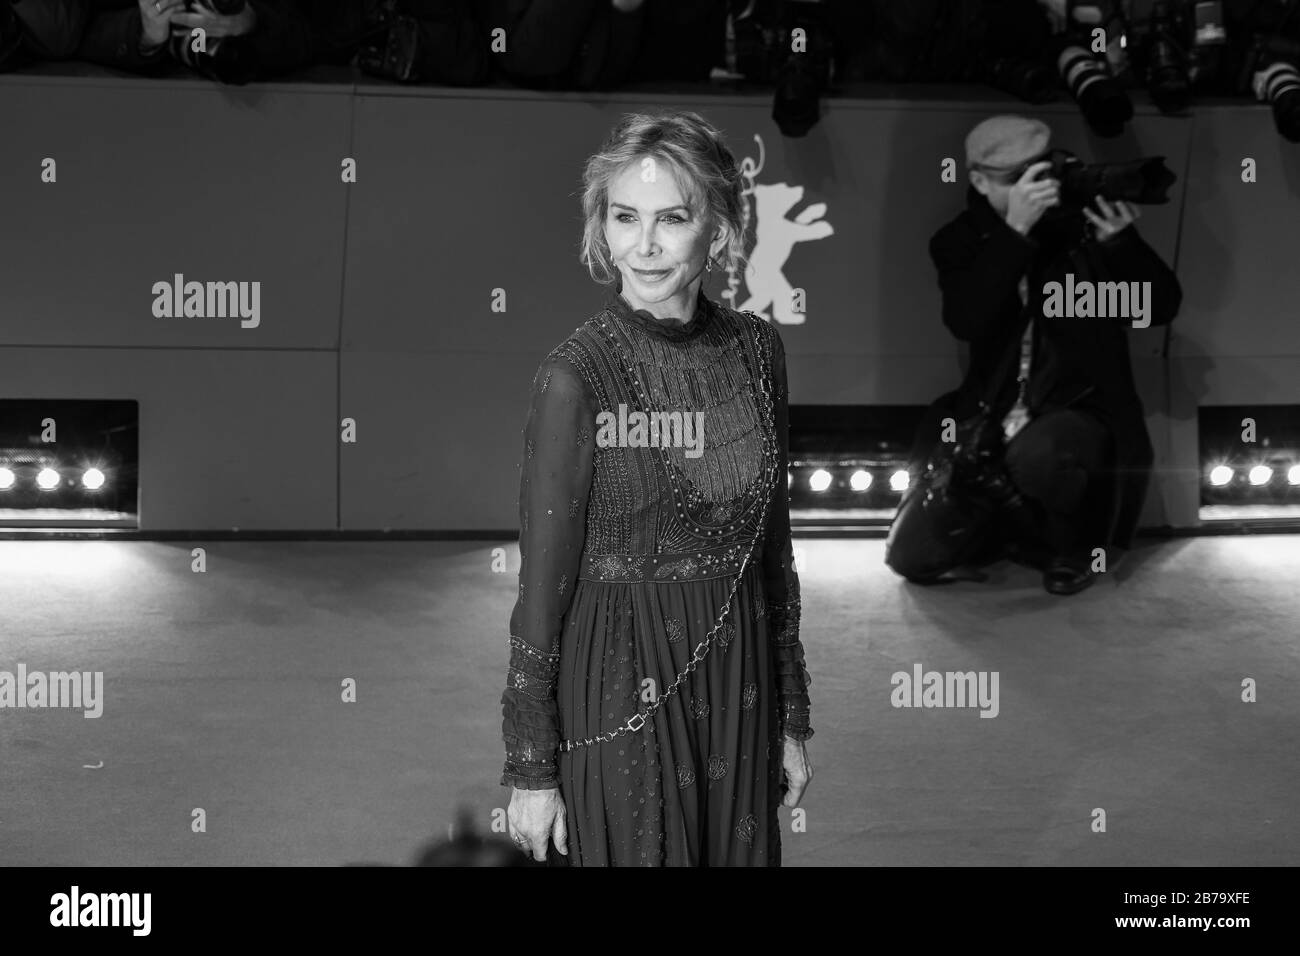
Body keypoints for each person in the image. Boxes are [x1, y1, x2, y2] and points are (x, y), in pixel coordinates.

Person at [499, 109, 814, 866]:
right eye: (625, 217)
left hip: (737, 671)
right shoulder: (576, 377)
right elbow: (541, 590)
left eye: (673, 218)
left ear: (720, 227)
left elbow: (773, 550)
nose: (644, 245)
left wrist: (791, 713)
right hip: (618, 679)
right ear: (601, 228)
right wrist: (532, 769)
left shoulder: (756, 349)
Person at [888, 115, 1182, 595]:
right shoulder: (959, 240)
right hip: (990, 412)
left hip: (1076, 409)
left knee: (1041, 456)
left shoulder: (1082, 231)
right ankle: (1008, 534)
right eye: (1015, 179)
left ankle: (1069, 547)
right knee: (912, 559)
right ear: (980, 182)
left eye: (1041, 172)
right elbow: (967, 320)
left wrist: (1123, 246)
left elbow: (1160, 308)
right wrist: (1015, 233)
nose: (1034, 188)